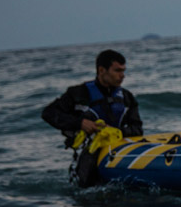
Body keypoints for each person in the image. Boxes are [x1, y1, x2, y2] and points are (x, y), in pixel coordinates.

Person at [42, 49, 143, 186]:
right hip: (87, 158)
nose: (122, 76)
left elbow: (137, 129)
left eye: (123, 71)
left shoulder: (127, 98)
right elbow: (49, 113)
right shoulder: (77, 94)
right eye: (117, 71)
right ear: (101, 70)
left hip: (117, 155)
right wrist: (80, 123)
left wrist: (114, 132)